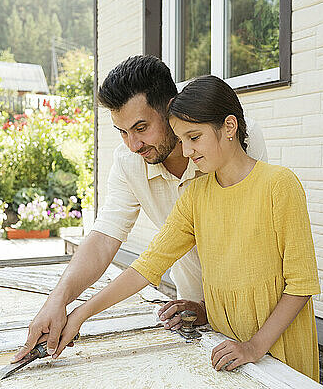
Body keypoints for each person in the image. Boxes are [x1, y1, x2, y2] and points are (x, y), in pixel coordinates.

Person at [44, 75, 321, 381]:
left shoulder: (279, 184)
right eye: (182, 139)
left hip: (276, 344)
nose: (186, 151)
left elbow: (300, 284)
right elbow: (146, 266)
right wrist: (78, 314)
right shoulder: (196, 195)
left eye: (194, 138)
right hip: (226, 344)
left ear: (229, 128)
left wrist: (254, 346)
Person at [13, 57, 267, 363]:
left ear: (171, 109)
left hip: (256, 315)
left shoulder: (233, 137)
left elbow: (249, 244)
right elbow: (106, 238)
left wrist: (210, 306)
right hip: (195, 314)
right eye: (122, 131)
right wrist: (59, 300)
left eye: (141, 127)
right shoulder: (128, 160)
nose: (133, 144)